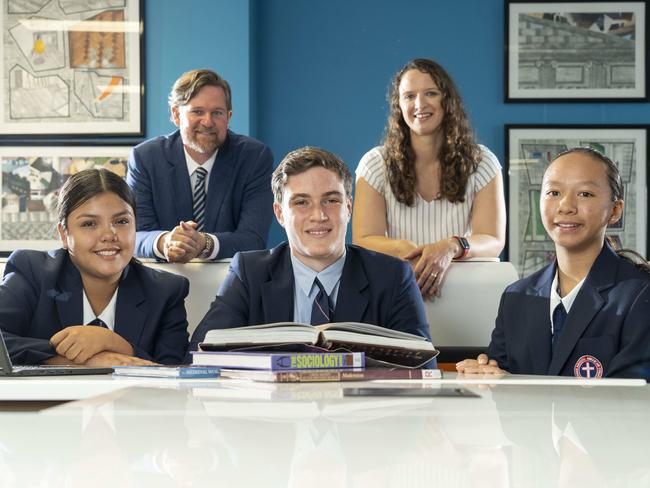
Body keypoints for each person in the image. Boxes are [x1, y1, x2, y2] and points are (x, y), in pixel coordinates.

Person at [189, 146, 431, 353]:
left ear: (348, 207)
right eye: (301, 202)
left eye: (331, 200)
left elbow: (422, 368)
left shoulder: (392, 277)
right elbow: (201, 352)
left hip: (362, 406)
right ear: (280, 213)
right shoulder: (248, 273)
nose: (319, 215)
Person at [456, 147, 650, 379]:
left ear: (615, 210)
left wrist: (514, 384)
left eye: (585, 194)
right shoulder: (516, 297)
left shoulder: (639, 294)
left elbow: (632, 399)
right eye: (553, 192)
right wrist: (485, 375)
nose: (566, 206)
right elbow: (503, 395)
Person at [0, 169, 189, 366]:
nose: (109, 235)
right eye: (89, 223)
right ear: (64, 234)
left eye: (121, 221)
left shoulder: (166, 291)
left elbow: (173, 372)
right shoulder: (32, 271)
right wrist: (80, 361)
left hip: (132, 398)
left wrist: (114, 343)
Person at [353, 58, 505, 299]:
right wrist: (408, 251)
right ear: (399, 106)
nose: (419, 104)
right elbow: (363, 240)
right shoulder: (374, 164)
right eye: (409, 96)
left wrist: (450, 246)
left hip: (465, 294)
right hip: (393, 292)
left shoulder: (482, 162)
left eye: (431, 93)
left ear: (448, 101)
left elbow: (493, 240)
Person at [127, 68, 273, 262]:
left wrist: (205, 244)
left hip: (232, 280)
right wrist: (165, 241)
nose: (208, 121)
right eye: (197, 111)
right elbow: (134, 234)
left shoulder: (254, 157)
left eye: (217, 113)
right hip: (161, 278)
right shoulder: (146, 158)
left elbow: (253, 239)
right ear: (176, 115)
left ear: (228, 116)